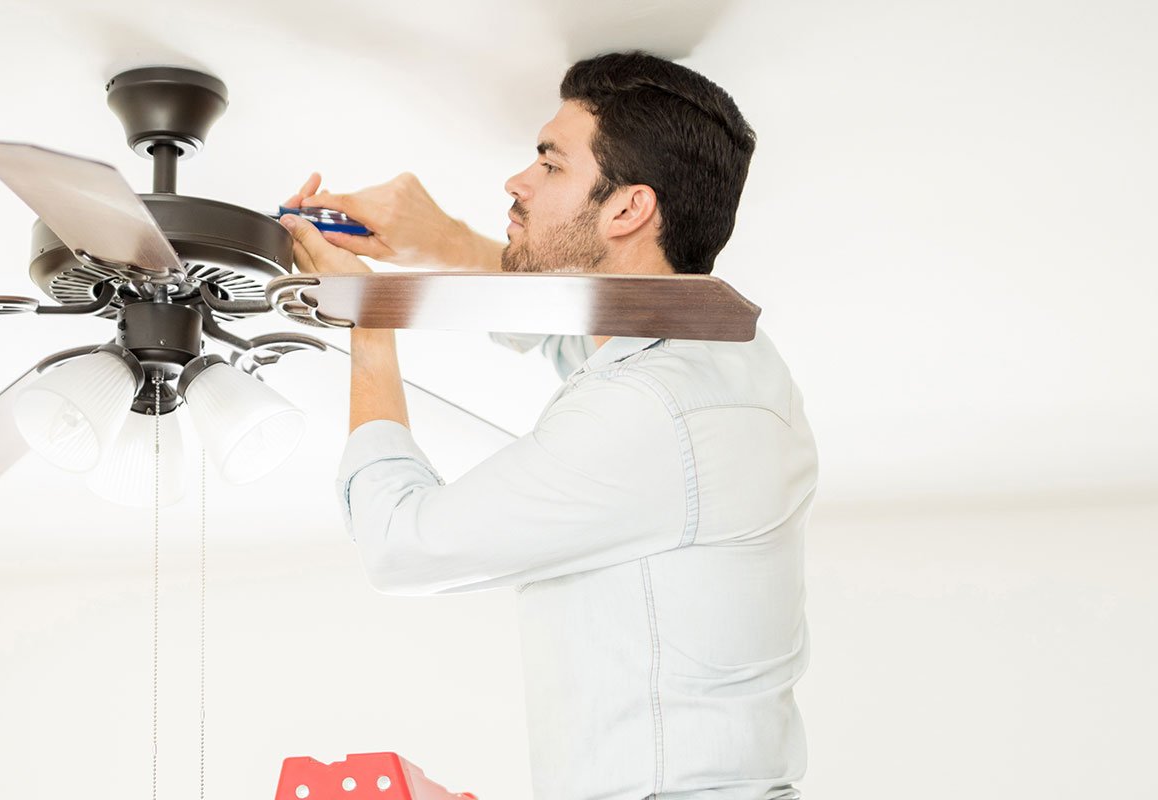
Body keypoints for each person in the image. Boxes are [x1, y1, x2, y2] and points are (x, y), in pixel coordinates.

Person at [276, 51, 818, 800]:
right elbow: (578, 325)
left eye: (550, 165)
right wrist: (442, 242)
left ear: (628, 208)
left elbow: (401, 545)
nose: (516, 181)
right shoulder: (727, 361)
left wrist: (368, 318)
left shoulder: (651, 412)